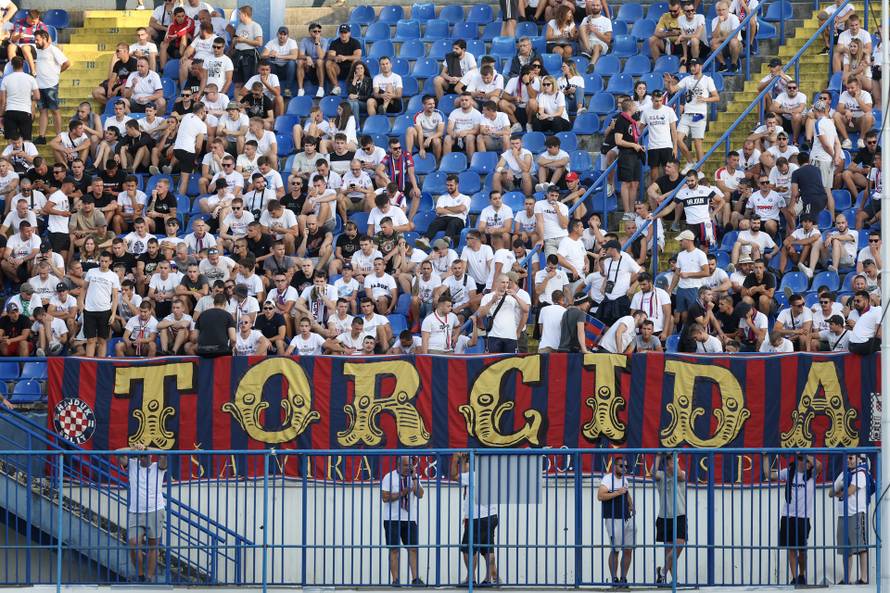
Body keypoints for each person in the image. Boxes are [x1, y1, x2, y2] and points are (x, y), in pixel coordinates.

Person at [763, 452, 820, 585]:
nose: (807, 463)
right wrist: (766, 457)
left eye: (808, 461)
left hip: (803, 517)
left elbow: (819, 465)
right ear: (798, 461)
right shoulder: (789, 471)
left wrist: (805, 454)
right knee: (791, 548)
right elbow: (769, 475)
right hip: (788, 516)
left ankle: (801, 574)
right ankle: (794, 578)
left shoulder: (812, 474)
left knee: (802, 549)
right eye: (803, 460)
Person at [115, 443, 167, 583]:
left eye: (145, 455)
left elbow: (165, 454)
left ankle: (148, 578)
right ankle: (140, 575)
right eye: (140, 456)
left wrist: (147, 448)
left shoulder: (158, 467)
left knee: (153, 545)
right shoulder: (132, 465)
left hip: (155, 510)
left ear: (150, 455)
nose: (142, 458)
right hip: (135, 512)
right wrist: (134, 449)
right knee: (133, 542)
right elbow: (118, 452)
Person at [451, 452, 499, 586]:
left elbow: (454, 476)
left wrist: (455, 459)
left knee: (468, 548)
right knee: (487, 548)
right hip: (491, 516)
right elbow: (464, 475)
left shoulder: (473, 476)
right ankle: (489, 579)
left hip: (478, 518)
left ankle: (471, 579)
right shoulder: (489, 475)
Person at [381, 456, 425, 586]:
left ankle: (415, 579)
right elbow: (384, 497)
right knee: (394, 549)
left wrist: (415, 478)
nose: (409, 468)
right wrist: (403, 492)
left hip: (410, 519)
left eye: (411, 465)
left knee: (413, 548)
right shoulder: (389, 477)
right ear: (398, 465)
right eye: (406, 465)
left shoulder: (413, 477)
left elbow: (420, 494)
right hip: (392, 519)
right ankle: (395, 580)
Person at [828, 453, 870, 585]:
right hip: (842, 515)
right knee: (846, 549)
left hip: (856, 513)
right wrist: (840, 491)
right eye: (847, 458)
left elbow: (850, 491)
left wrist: (839, 491)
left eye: (851, 458)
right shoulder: (843, 474)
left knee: (861, 546)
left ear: (858, 459)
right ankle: (847, 578)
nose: (848, 460)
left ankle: (864, 578)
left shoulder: (861, 474)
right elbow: (830, 492)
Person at [598, 456, 635, 587]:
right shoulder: (607, 479)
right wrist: (617, 493)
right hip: (613, 518)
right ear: (614, 467)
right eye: (621, 466)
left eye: (626, 466)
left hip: (627, 517)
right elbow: (600, 496)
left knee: (628, 549)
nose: (624, 468)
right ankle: (614, 579)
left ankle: (623, 579)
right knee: (616, 549)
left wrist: (631, 505)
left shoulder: (625, 480)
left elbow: (627, 493)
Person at [651, 453, 687, 585]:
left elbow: (678, 475)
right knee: (668, 552)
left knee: (678, 545)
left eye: (671, 462)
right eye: (667, 463)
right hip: (664, 517)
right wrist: (658, 456)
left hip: (679, 515)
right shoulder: (661, 475)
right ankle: (674, 581)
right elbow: (652, 474)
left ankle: (662, 571)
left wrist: (674, 459)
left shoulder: (681, 474)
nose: (669, 465)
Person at [79, 251, 120, 358]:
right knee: (90, 340)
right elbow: (84, 288)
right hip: (89, 310)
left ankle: (101, 363)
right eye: (101, 261)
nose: (103, 263)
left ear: (110, 262)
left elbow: (115, 297)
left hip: (105, 311)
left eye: (106, 261)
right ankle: (89, 364)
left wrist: (113, 313)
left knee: (102, 340)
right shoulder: (91, 272)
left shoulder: (113, 276)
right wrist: (81, 303)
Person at [33, 29, 70, 145]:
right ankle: (41, 136)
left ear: (44, 38)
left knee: (55, 110)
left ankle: (59, 136)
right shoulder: (36, 50)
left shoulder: (53, 49)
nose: (36, 42)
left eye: (37, 39)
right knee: (42, 111)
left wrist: (57, 73)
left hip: (51, 85)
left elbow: (67, 63)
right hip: (39, 85)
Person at [478, 273, 529, 353]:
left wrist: (515, 296)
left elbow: (526, 309)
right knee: (494, 363)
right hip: (494, 336)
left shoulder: (512, 297)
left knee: (511, 363)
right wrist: (492, 301)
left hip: (511, 336)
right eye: (503, 282)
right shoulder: (488, 297)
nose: (505, 285)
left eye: (507, 282)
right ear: (496, 283)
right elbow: (480, 314)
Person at [0, 57, 39, 141]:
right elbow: (37, 96)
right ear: (23, 64)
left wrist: (0, 115)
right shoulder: (31, 79)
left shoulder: (6, 79)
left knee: (11, 140)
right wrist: (32, 106)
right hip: (25, 112)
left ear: (11, 65)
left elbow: (3, 100)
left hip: (10, 112)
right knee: (26, 141)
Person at [190, 291, 236, 356]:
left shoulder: (202, 315)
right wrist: (231, 348)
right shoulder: (228, 316)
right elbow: (233, 339)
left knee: (190, 349)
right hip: (222, 351)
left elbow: (194, 337)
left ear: (213, 303)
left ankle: (200, 365)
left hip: (203, 351)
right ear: (225, 304)